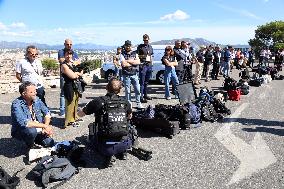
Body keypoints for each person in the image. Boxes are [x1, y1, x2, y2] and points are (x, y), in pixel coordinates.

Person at [77, 78, 133, 167]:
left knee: (92, 130)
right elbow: (130, 117)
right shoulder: (125, 102)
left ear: (106, 87)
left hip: (106, 147)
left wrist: (82, 109)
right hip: (125, 143)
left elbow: (80, 115)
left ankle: (109, 155)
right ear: (119, 90)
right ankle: (122, 151)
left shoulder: (98, 101)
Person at [11, 81, 54, 150]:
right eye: (32, 92)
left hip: (38, 128)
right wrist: (45, 126)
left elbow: (47, 113)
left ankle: (34, 139)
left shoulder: (37, 99)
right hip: (22, 130)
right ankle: (30, 145)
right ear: (24, 94)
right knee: (31, 131)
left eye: (35, 91)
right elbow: (25, 123)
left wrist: (45, 126)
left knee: (50, 143)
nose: (35, 93)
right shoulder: (16, 104)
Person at [61, 50, 84, 128]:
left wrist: (77, 73)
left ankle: (73, 118)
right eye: (67, 54)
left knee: (75, 102)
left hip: (76, 85)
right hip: (69, 86)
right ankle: (68, 121)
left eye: (70, 54)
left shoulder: (72, 63)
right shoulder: (64, 65)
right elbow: (72, 76)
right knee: (70, 103)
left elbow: (81, 70)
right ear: (64, 55)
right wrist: (77, 74)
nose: (69, 56)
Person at [58, 39, 80, 116]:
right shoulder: (61, 51)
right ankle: (62, 111)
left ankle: (71, 111)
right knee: (63, 93)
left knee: (72, 93)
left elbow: (79, 62)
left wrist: (70, 61)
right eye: (67, 44)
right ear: (64, 44)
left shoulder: (74, 52)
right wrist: (73, 61)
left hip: (73, 76)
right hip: (64, 76)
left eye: (70, 44)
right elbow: (62, 61)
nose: (69, 46)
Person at [121, 40, 144, 109]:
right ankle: (129, 104)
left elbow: (138, 62)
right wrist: (133, 62)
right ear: (125, 46)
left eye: (129, 45)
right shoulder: (122, 54)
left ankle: (138, 103)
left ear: (131, 46)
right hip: (126, 75)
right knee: (128, 91)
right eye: (127, 45)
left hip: (134, 74)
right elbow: (124, 64)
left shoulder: (135, 53)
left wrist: (128, 61)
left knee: (137, 90)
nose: (128, 47)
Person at [137, 34, 154, 103]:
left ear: (149, 40)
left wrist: (152, 64)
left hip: (149, 66)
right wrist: (144, 56)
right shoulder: (140, 47)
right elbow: (137, 56)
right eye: (144, 40)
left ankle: (145, 95)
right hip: (143, 66)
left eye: (147, 40)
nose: (145, 41)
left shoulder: (150, 47)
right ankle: (141, 97)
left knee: (146, 82)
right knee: (142, 82)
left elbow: (151, 56)